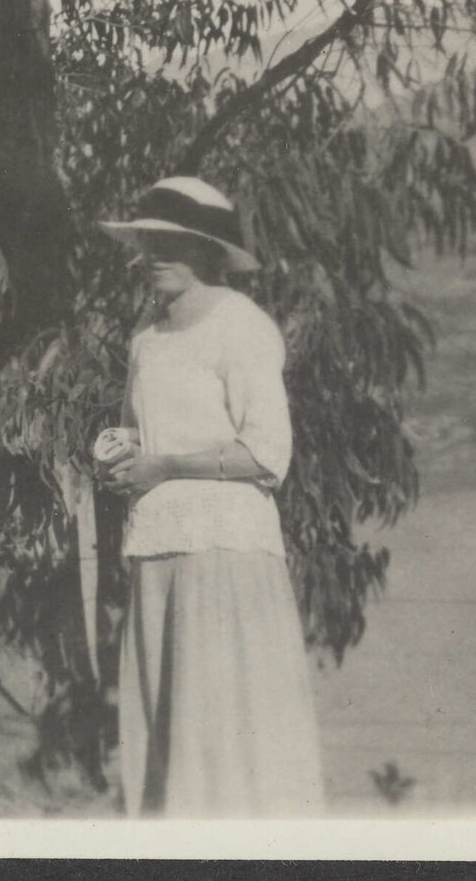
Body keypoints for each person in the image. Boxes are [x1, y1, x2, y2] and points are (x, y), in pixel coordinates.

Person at [96, 176, 326, 818]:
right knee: (163, 726)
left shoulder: (242, 327)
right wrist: (117, 454)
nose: (155, 256)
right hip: (156, 550)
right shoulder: (146, 336)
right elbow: (135, 429)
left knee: (224, 728)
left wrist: (163, 465)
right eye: (148, 243)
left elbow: (265, 454)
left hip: (225, 551)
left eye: (175, 244)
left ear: (210, 253)